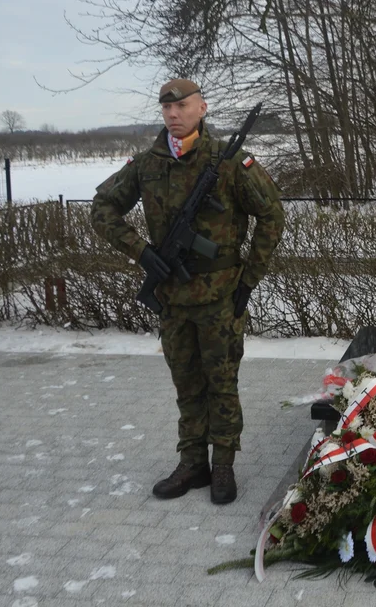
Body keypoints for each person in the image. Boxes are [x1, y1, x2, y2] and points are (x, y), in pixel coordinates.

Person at [91, 79, 284, 505]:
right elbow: (102, 208)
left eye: (182, 106)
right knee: (186, 384)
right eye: (167, 108)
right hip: (173, 299)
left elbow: (272, 215)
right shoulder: (147, 164)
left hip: (220, 297)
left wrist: (249, 279)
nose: (173, 114)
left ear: (202, 108)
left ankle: (223, 466)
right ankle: (192, 462)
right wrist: (141, 252)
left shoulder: (230, 162)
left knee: (222, 383)